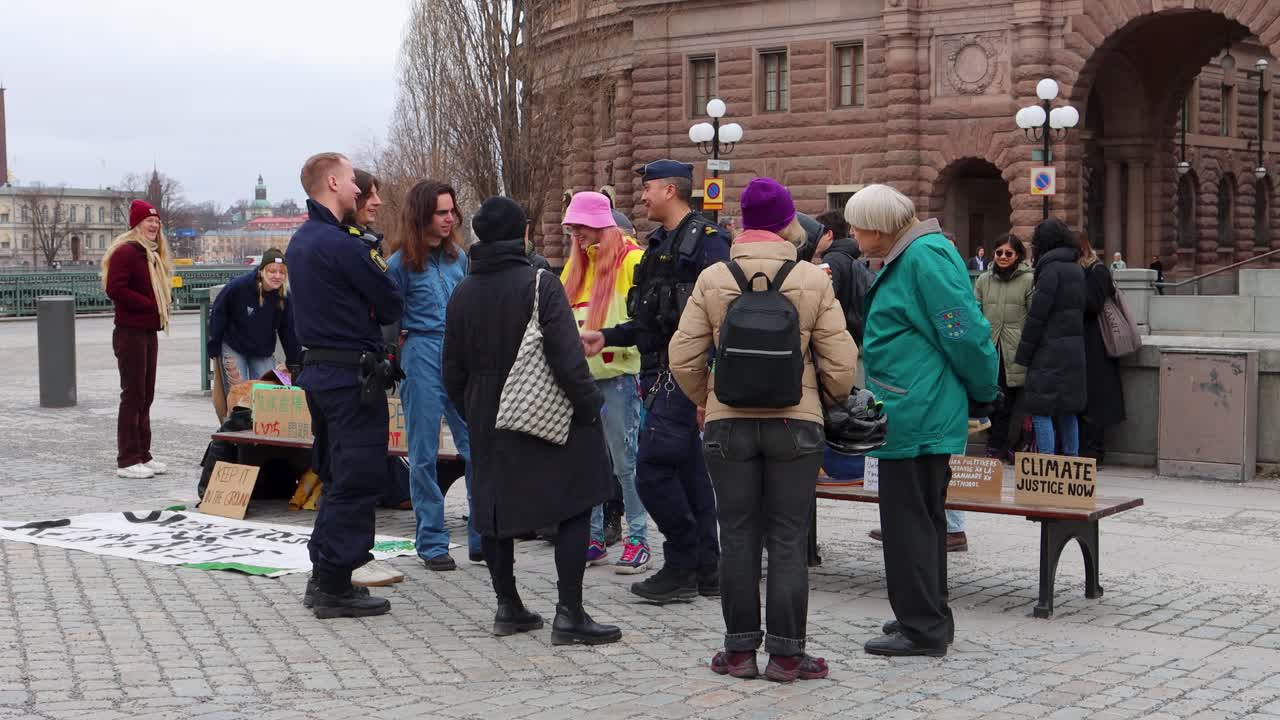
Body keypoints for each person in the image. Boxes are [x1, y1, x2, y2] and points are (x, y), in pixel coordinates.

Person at [670, 177, 856, 682]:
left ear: (743, 221)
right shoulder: (814, 279)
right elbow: (841, 365)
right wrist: (826, 400)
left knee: (736, 535)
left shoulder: (713, 277)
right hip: (796, 425)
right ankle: (787, 655)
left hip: (727, 424)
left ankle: (737, 652)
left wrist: (706, 402)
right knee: (790, 538)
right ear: (786, 222)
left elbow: (683, 357)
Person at [443, 195, 621, 645]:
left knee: (494, 506)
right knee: (577, 502)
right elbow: (567, 358)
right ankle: (570, 613)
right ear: (522, 233)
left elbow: (451, 370)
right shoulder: (540, 283)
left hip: (487, 411)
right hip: (549, 413)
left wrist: (474, 411)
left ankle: (509, 607)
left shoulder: (462, 292)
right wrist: (588, 408)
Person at [850, 184, 998, 657]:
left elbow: (966, 331)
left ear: (878, 226)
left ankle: (924, 627)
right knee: (920, 520)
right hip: (912, 406)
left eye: (856, 225)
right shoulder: (914, 254)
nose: (852, 233)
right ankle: (924, 613)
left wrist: (983, 390)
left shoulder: (922, 257)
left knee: (910, 522)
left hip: (916, 410)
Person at [580, 159, 731, 603]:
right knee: (689, 475)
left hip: (683, 378)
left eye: (648, 189)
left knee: (651, 470)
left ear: (670, 190)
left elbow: (723, 318)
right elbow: (651, 321)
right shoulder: (660, 244)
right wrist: (606, 336)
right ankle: (708, 568)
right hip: (658, 373)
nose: (641, 196)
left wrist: (710, 384)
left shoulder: (708, 243)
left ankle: (681, 562)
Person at [286, 152, 404, 618]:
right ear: (333, 183)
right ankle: (334, 583)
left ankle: (325, 576)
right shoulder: (345, 244)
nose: (359, 190)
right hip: (352, 377)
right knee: (357, 477)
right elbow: (390, 302)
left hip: (320, 376)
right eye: (354, 181)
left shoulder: (301, 240)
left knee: (336, 474)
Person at [386, 180, 482, 571]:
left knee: (476, 447)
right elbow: (388, 317)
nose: (449, 218)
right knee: (423, 453)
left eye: (451, 211)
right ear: (422, 215)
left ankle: (482, 536)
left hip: (458, 354)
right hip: (422, 352)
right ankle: (431, 540)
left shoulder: (458, 257)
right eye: (441, 212)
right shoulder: (401, 264)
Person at [560, 191, 652, 573]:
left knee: (625, 462)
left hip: (619, 377)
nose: (575, 235)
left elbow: (644, 320)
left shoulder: (633, 260)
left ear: (598, 222)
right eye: (572, 228)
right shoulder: (576, 267)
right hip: (583, 381)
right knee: (590, 463)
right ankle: (593, 537)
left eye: (579, 226)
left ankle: (638, 539)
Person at [102, 200, 172, 480]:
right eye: (148, 221)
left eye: (156, 221)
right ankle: (127, 459)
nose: (154, 225)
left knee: (146, 394)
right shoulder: (127, 252)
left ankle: (143, 454)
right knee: (132, 395)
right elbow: (114, 288)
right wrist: (148, 303)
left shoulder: (150, 254)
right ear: (136, 224)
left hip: (147, 331)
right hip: (130, 331)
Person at [1015, 218, 1087, 457]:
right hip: (1073, 351)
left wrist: (1023, 356)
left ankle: (1046, 467)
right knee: (1068, 410)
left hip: (1048, 352)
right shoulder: (1076, 268)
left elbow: (1037, 316)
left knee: (1041, 409)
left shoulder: (1050, 270)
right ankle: (1072, 465)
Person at [206, 248, 301, 396]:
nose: (277, 276)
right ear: (262, 271)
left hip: (262, 349)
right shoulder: (238, 287)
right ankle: (236, 417)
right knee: (238, 392)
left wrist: (294, 361)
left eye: (282, 272)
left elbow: (287, 329)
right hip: (234, 344)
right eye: (272, 271)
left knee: (268, 393)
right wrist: (214, 345)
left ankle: (262, 419)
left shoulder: (284, 297)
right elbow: (219, 313)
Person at [974, 234, 1033, 464]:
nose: (1003, 257)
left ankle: (1009, 446)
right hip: (991, 349)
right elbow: (975, 311)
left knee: (1015, 403)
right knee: (994, 402)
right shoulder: (983, 280)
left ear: (1018, 255)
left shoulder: (1029, 280)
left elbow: (1032, 315)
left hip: (1017, 349)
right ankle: (996, 444)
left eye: (1008, 253)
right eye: (999, 252)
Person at [1080, 235, 1127, 463]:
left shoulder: (1096, 271)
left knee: (1095, 401)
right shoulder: (1087, 270)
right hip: (1085, 343)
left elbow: (1092, 304)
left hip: (1097, 343)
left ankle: (1094, 451)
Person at [813, 209, 874, 347]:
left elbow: (826, 300)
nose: (813, 239)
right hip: (852, 332)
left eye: (817, 234)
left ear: (829, 234)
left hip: (838, 334)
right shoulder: (847, 254)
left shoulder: (831, 259)